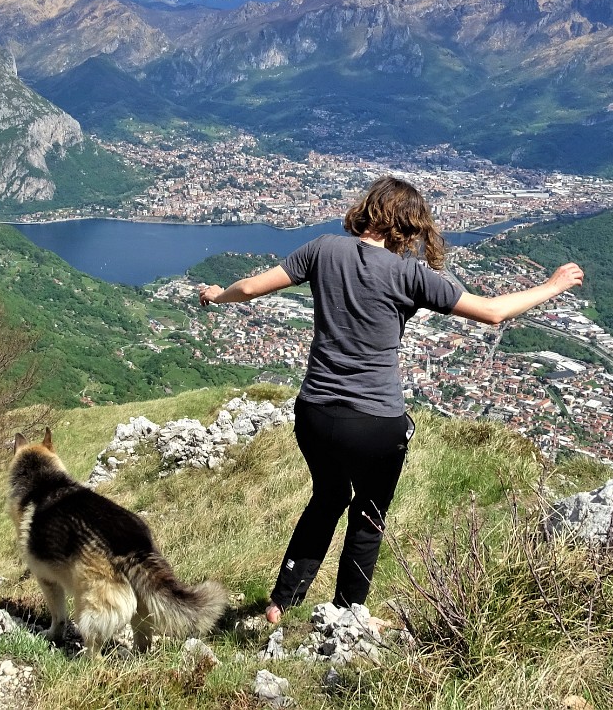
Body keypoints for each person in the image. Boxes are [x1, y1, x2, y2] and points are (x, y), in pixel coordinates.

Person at [197, 175, 584, 624]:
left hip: (316, 413)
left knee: (327, 497)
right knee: (369, 514)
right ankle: (346, 616)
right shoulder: (411, 275)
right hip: (376, 422)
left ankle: (282, 603)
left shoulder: (322, 249)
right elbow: (493, 312)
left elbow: (247, 288)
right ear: (410, 226)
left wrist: (215, 295)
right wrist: (554, 285)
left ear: (369, 210)